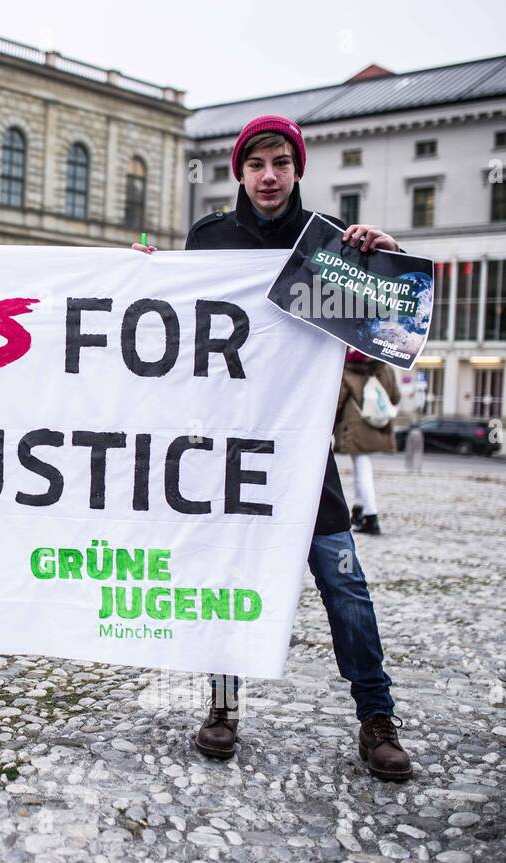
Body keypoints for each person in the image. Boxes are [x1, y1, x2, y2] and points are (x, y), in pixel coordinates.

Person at [134, 115, 412, 781]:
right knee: (230, 578)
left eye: (280, 162)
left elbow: (386, 334)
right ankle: (223, 705)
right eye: (256, 162)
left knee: (343, 582)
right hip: (229, 447)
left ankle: (377, 718)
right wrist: (139, 278)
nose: (268, 175)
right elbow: (172, 322)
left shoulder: (329, 242)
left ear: (296, 170)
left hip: (303, 450)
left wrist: (387, 262)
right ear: (239, 171)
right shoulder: (207, 240)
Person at [336, 349, 401, 535]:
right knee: (360, 466)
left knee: (362, 467)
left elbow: (338, 401)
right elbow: (395, 396)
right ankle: (359, 510)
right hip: (377, 424)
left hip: (356, 425)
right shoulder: (385, 367)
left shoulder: (348, 369)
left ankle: (371, 516)